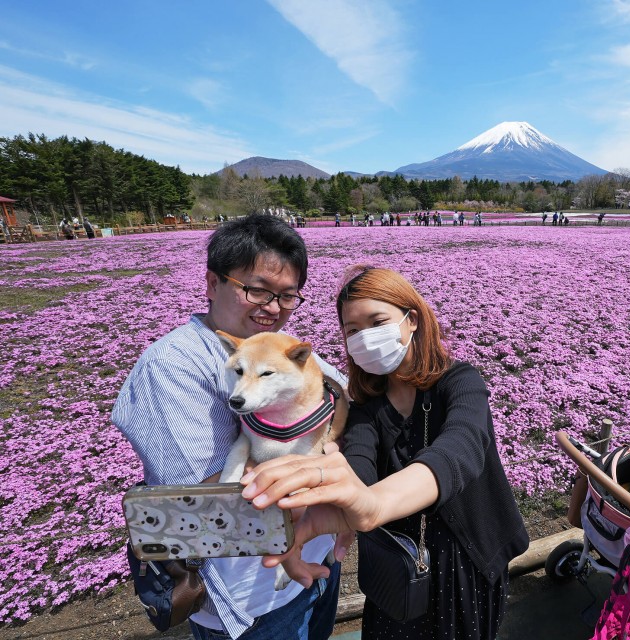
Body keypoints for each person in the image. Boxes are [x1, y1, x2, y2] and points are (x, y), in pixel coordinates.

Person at [241, 265, 529, 640]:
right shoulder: (365, 407)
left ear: (412, 320)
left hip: (468, 560)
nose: (365, 338)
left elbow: (462, 448)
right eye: (352, 331)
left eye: (378, 321)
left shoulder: (460, 382)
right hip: (399, 565)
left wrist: (373, 505)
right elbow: (357, 462)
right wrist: (343, 500)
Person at [112, 215, 347, 640]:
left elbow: (343, 403)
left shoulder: (281, 347)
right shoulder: (174, 366)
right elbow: (208, 500)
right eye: (256, 289)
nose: (273, 307)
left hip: (318, 562)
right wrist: (328, 467)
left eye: (287, 295)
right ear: (212, 283)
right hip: (251, 604)